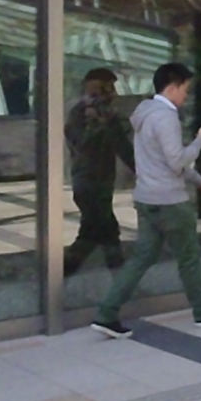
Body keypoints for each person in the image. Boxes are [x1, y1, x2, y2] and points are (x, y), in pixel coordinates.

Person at [92, 62, 201, 337]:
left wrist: (199, 181)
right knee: (189, 258)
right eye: (184, 89)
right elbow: (177, 161)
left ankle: (106, 313)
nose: (186, 96)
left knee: (141, 259)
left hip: (147, 199)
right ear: (171, 88)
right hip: (170, 202)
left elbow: (161, 160)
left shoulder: (144, 115)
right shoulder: (166, 117)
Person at [64, 68, 134, 275]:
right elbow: (81, 145)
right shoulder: (79, 115)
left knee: (94, 233)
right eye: (107, 89)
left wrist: (143, 170)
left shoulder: (109, 116)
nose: (112, 94)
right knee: (104, 231)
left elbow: (122, 146)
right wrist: (96, 123)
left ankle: (61, 275)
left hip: (103, 184)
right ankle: (120, 278)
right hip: (87, 184)